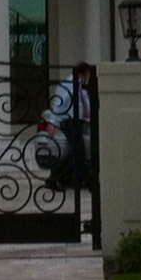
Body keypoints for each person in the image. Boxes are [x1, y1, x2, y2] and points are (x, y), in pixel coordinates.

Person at [43, 61, 91, 190]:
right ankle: (85, 179)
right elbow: (60, 104)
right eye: (87, 74)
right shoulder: (69, 85)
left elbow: (85, 104)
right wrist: (53, 123)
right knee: (79, 152)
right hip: (70, 122)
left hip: (78, 122)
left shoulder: (80, 86)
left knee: (75, 153)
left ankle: (57, 177)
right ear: (83, 74)